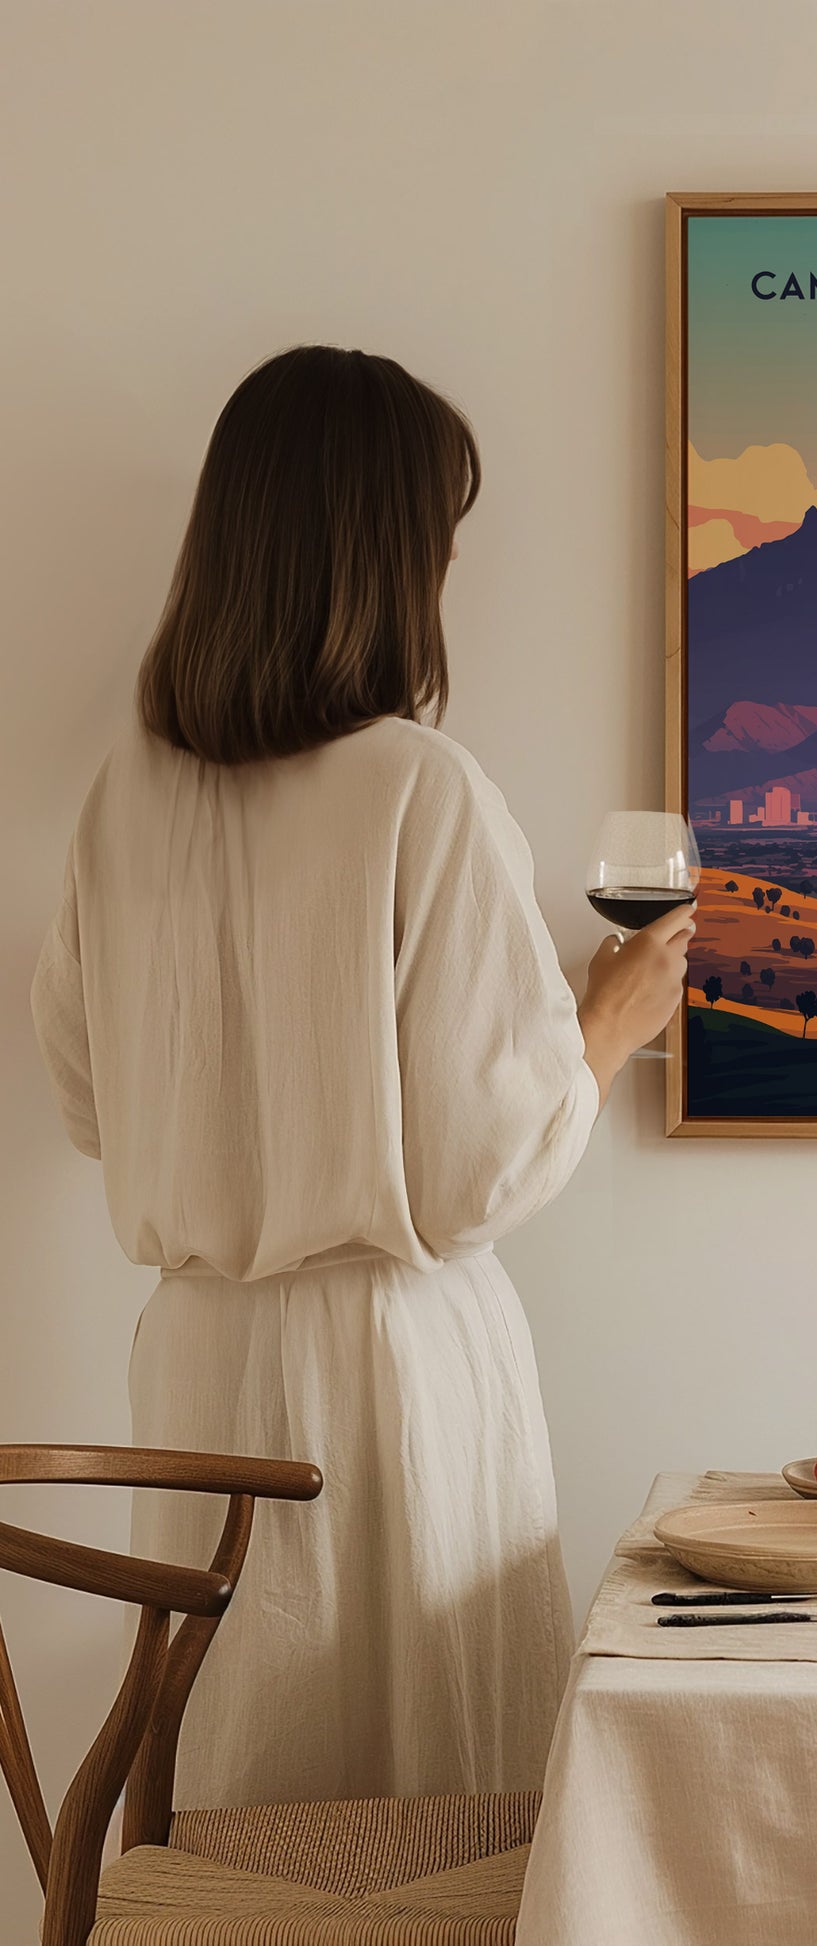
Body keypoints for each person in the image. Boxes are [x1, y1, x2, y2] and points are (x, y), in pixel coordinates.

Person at [29, 345, 690, 1806]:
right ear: (387, 556)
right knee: (423, 1811)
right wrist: (606, 1020)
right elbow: (474, 1172)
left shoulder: (122, 797)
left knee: (241, 1791)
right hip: (390, 1373)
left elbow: (87, 1100)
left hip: (197, 1362)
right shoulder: (418, 786)